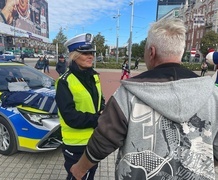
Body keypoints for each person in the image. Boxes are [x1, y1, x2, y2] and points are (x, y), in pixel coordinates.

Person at [70, 18, 218, 180]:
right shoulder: (212, 94)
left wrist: (80, 169)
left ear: (151, 52)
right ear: (180, 52)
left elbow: (104, 140)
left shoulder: (127, 94)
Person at [55, 33, 106, 180]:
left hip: (93, 140)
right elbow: (70, 116)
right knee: (77, 177)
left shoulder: (94, 77)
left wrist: (104, 109)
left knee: (89, 175)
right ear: (75, 56)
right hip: (75, 144)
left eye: (92, 53)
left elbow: (99, 101)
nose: (91, 56)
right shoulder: (64, 82)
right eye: (85, 53)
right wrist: (98, 119)